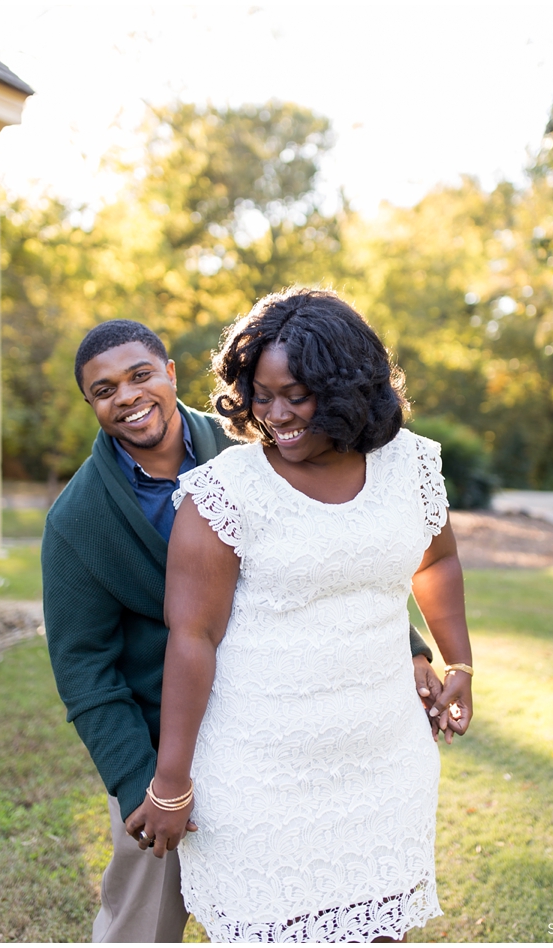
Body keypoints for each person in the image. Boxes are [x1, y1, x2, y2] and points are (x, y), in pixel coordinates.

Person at [42, 318, 443, 943]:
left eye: (140, 375)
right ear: (90, 403)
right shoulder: (77, 521)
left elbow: (342, 555)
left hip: (280, 734)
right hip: (163, 741)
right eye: (104, 389)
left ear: (171, 375)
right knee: (140, 922)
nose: (126, 396)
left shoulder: (253, 448)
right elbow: (84, 671)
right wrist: (143, 783)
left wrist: (413, 648)